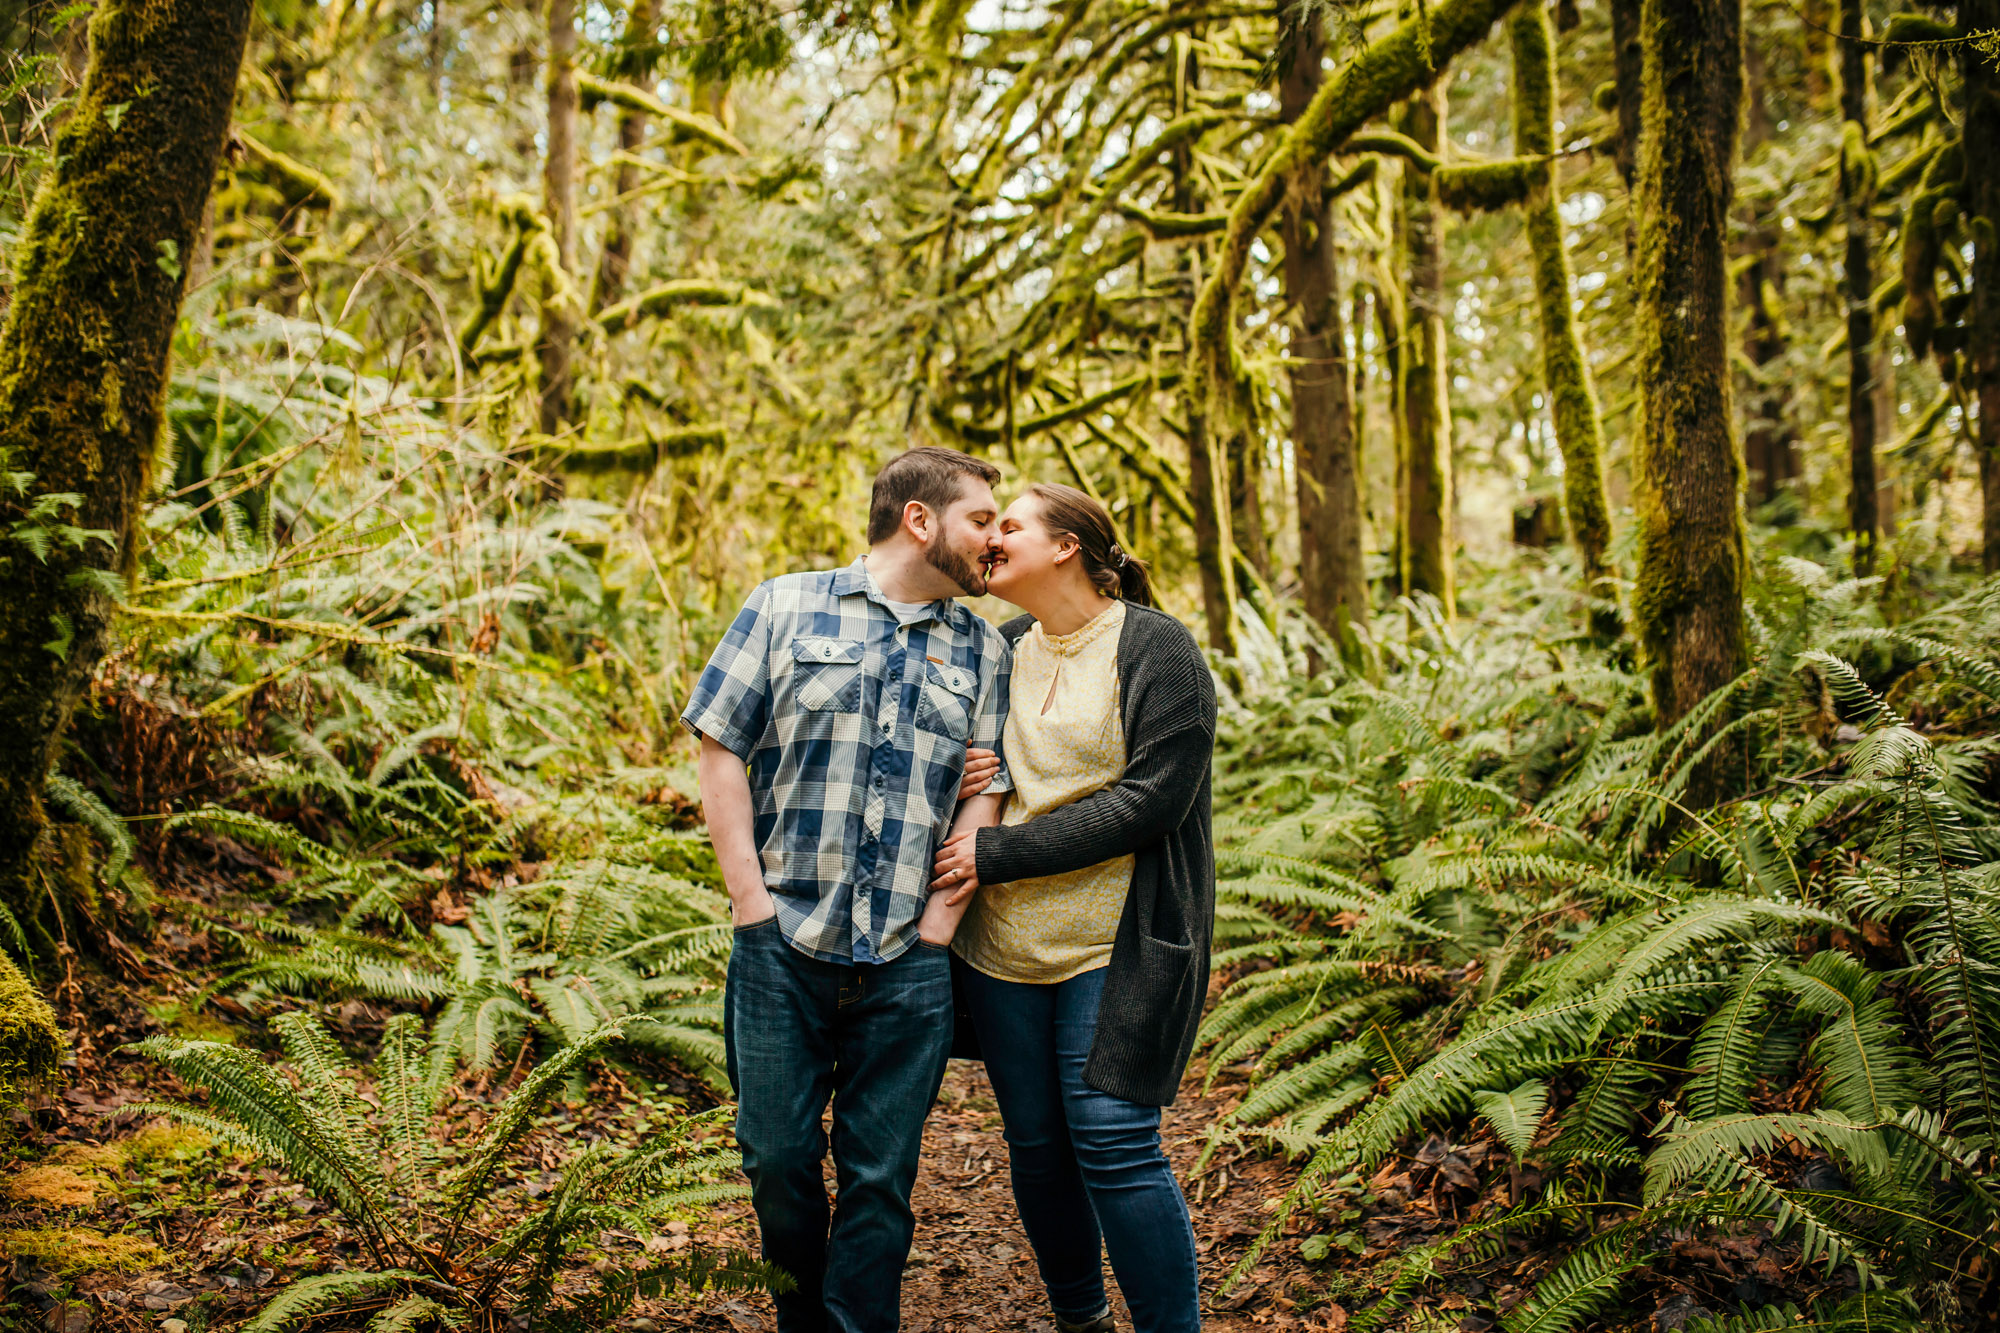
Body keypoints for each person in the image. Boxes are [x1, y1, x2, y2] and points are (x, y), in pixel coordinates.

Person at [682, 446, 1013, 1333]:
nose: (995, 539)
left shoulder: (983, 645)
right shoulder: (784, 605)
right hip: (782, 941)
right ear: (920, 519)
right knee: (774, 1157)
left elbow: (985, 793)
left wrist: (940, 929)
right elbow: (720, 748)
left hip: (908, 959)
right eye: (981, 519)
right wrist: (752, 907)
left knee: (881, 1180)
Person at [925, 483, 1217, 1333]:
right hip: (1001, 951)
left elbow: (1152, 800)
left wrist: (995, 851)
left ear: (1066, 546)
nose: (991, 538)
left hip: (1113, 943)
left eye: (1007, 524)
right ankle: (1079, 1318)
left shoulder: (1158, 648)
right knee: (1041, 1151)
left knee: (1117, 1142)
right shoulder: (1001, 647)